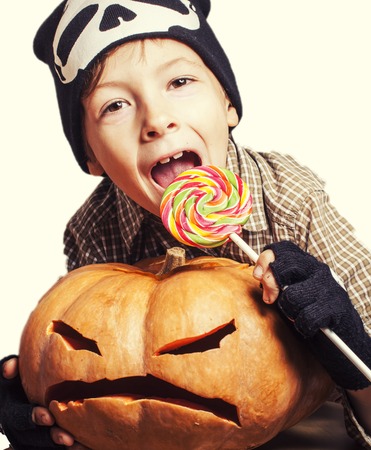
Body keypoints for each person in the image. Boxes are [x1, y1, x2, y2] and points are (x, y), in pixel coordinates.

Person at [1, 0, 370, 449]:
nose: (156, 121)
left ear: (229, 105)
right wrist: (53, 405)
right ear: (92, 157)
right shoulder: (95, 230)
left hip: (312, 424)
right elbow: (107, 391)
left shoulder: (290, 197)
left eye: (179, 82)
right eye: (115, 105)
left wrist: (350, 346)